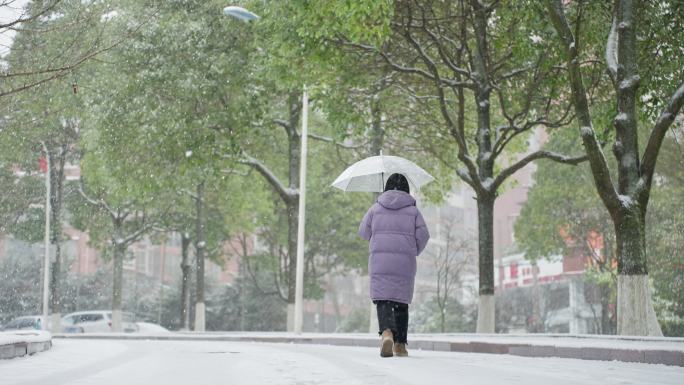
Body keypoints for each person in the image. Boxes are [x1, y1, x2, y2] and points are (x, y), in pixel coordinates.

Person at [358, 173, 430, 357]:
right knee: (401, 301)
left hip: (380, 262)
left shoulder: (375, 208)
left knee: (383, 299)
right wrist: (413, 250)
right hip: (404, 263)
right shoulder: (413, 211)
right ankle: (400, 344)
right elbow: (424, 236)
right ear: (406, 189)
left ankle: (387, 332)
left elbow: (363, 232)